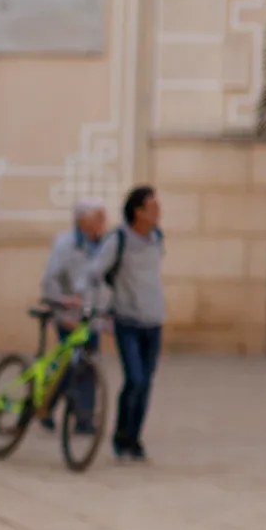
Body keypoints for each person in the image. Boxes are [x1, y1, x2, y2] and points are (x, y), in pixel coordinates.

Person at [90, 185, 165, 461]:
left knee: (146, 383)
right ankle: (121, 437)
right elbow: (96, 271)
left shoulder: (157, 238)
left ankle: (134, 439)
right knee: (134, 378)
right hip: (127, 320)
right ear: (138, 211)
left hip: (154, 320)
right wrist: (97, 305)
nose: (158, 212)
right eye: (153, 207)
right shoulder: (118, 239)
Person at [37, 198, 109, 432]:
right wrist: (61, 303)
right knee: (71, 364)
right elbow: (50, 278)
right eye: (97, 217)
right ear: (82, 220)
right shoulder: (65, 244)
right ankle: (54, 406)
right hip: (69, 314)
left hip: (91, 316)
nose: (102, 222)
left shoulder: (105, 246)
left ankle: (82, 417)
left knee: (86, 364)